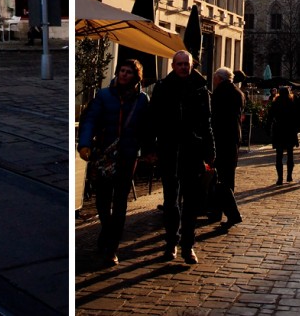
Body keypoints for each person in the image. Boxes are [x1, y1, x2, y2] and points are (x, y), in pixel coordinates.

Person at [76, 58, 149, 267]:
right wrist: (84, 144)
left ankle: (112, 247)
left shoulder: (142, 100)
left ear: (136, 77)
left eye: (129, 72)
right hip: (105, 154)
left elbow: (146, 127)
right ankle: (107, 230)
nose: (124, 74)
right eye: (122, 71)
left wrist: (150, 150)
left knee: (120, 202)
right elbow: (90, 120)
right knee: (102, 198)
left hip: (128, 155)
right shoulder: (104, 95)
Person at [147, 50, 214, 265]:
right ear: (173, 66)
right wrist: (151, 147)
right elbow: (154, 119)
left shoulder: (201, 89)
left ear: (192, 65)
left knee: (191, 202)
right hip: (169, 149)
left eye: (187, 64)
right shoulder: (163, 87)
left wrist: (210, 151)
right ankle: (170, 243)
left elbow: (207, 123)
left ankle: (188, 245)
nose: (184, 67)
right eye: (180, 64)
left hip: (192, 150)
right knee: (170, 201)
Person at [209, 67, 243, 228]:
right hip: (233, 138)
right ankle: (216, 211)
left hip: (221, 139)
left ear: (219, 79)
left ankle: (232, 214)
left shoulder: (220, 93)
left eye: (215, 78)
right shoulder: (238, 92)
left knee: (221, 177)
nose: (213, 81)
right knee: (226, 176)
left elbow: (215, 118)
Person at [269, 85, 298, 184]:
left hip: (279, 130)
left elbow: (270, 117)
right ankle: (289, 176)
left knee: (279, 155)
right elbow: (296, 118)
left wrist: (268, 128)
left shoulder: (275, 103)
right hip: (290, 130)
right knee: (290, 154)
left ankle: (280, 178)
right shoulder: (292, 103)